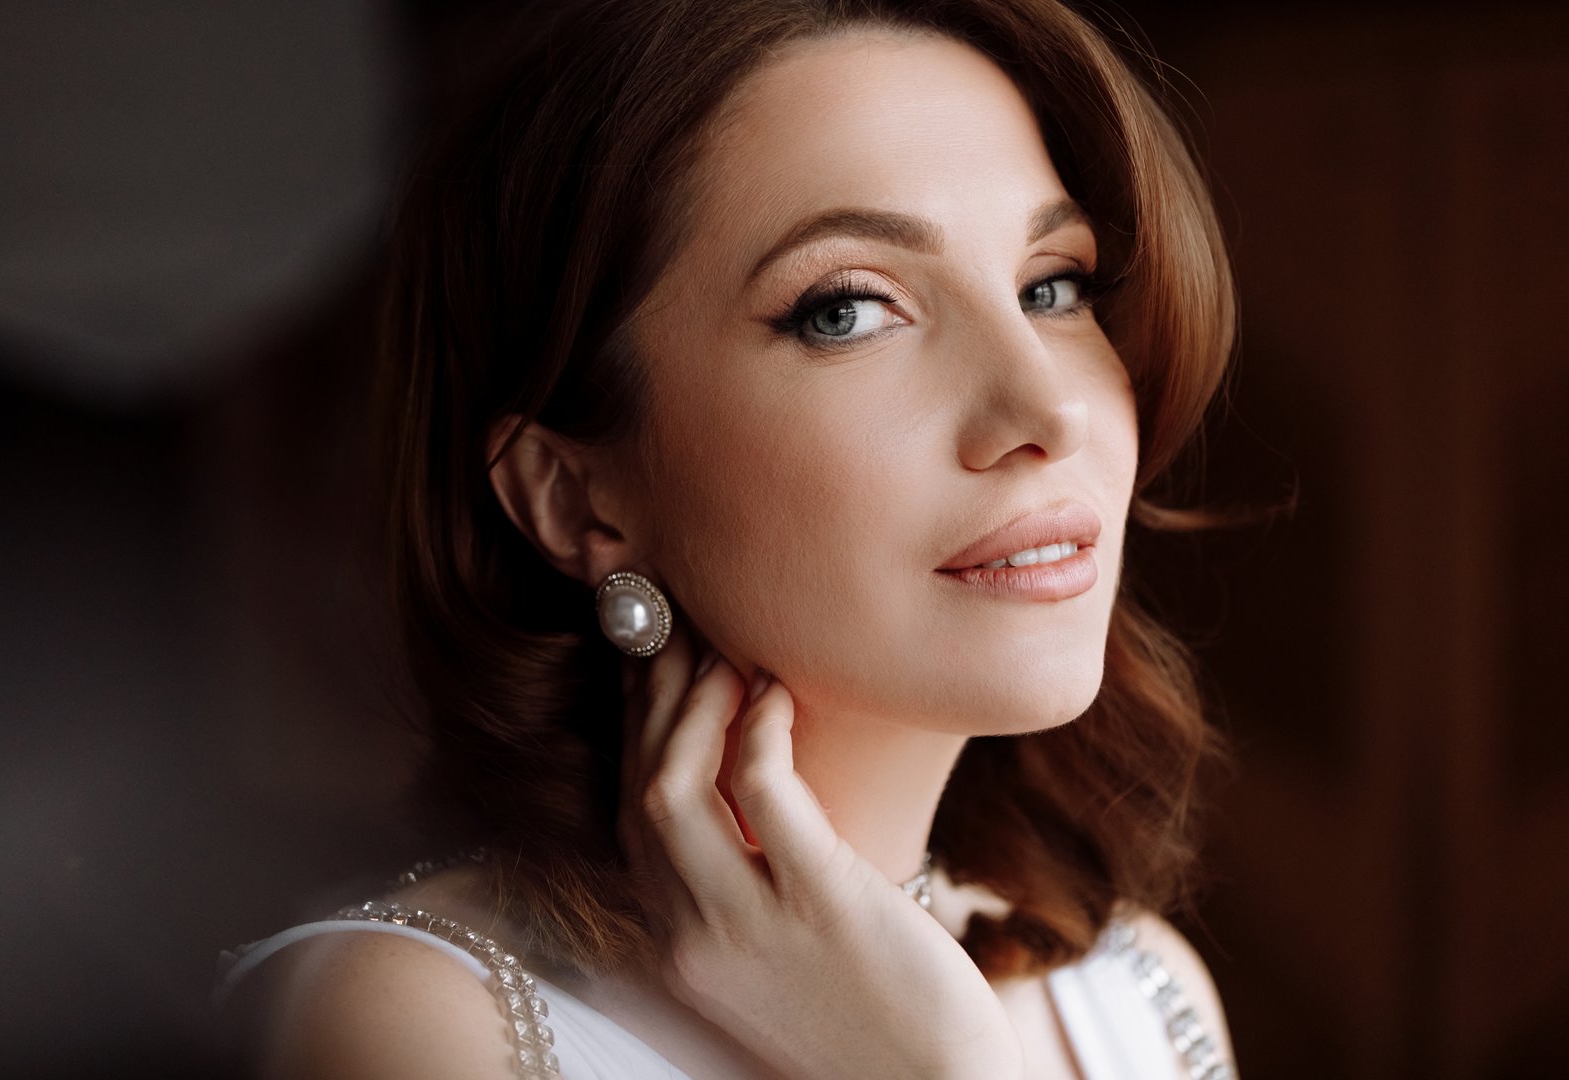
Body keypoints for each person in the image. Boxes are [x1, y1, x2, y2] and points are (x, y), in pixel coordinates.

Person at [216, 0, 1241, 1076]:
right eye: (846, 309)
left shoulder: (1138, 992)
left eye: (1053, 286)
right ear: (574, 497)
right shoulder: (420, 1026)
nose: (1047, 409)